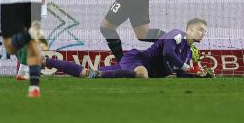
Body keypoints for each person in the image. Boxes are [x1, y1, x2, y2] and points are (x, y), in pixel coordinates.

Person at [43, 19, 214, 79]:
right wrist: (188, 67)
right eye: (199, 29)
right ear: (189, 28)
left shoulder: (189, 53)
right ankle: (99, 75)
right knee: (142, 73)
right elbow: (167, 53)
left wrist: (198, 75)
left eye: (204, 31)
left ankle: (44, 60)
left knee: (84, 74)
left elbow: (181, 75)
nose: (202, 33)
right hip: (138, 60)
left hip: (133, 67)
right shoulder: (177, 35)